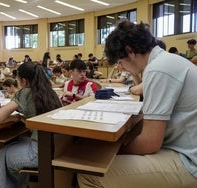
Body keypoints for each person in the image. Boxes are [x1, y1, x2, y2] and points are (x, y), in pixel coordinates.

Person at [78, 20, 197, 188]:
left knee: (90, 173)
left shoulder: (158, 68)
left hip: (189, 161)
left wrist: (110, 150)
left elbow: (150, 142)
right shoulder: (165, 61)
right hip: (185, 149)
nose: (122, 68)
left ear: (130, 51)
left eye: (121, 61)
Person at [0, 62, 62, 188]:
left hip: (39, 152)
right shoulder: (51, 93)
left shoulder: (25, 93)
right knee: (14, 143)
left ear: (24, 81)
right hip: (56, 147)